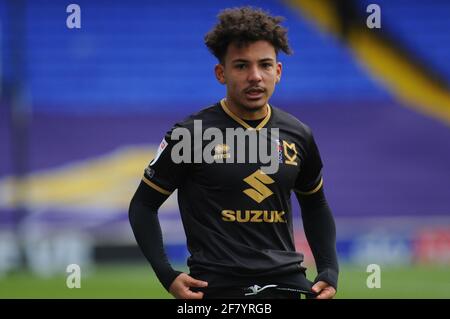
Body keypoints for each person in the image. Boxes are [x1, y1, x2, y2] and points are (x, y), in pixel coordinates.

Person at [129, 6, 338, 299]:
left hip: (286, 285)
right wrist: (167, 274)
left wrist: (329, 268)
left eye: (265, 65)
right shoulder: (191, 134)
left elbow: (315, 205)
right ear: (221, 73)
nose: (255, 76)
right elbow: (143, 206)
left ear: (277, 72)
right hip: (215, 290)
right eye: (241, 66)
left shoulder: (299, 135)